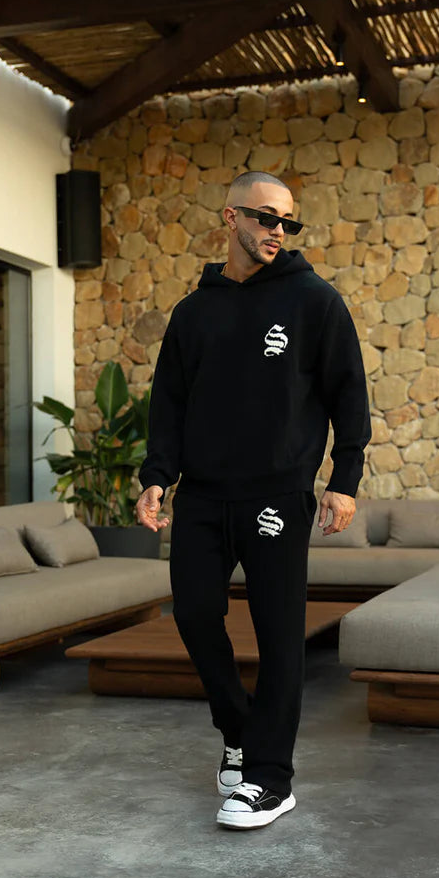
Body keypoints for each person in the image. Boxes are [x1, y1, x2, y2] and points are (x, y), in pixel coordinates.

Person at [136, 170, 370, 831]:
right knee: (194, 614)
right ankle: (238, 729)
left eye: (288, 222)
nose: (277, 231)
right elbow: (169, 404)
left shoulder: (314, 301)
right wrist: (157, 475)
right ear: (230, 217)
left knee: (278, 636)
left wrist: (345, 479)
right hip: (203, 497)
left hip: (277, 495)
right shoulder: (193, 312)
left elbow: (349, 393)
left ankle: (271, 779)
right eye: (266, 217)